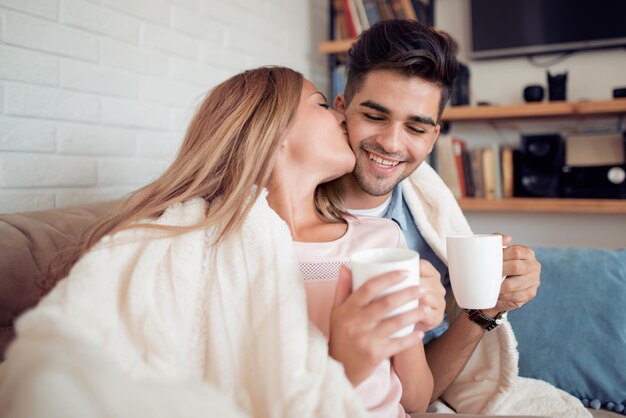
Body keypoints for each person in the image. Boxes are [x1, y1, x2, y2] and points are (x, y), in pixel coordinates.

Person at [0, 66, 442, 418]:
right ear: (275, 130)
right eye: (323, 105)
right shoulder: (200, 249)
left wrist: (415, 323)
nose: (341, 117)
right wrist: (344, 360)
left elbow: (417, 399)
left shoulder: (380, 238)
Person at [331, 19, 589, 417]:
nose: (392, 143)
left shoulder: (426, 218)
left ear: (433, 136)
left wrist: (488, 308)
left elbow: (421, 392)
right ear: (340, 111)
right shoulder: (287, 214)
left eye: (415, 127)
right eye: (376, 116)